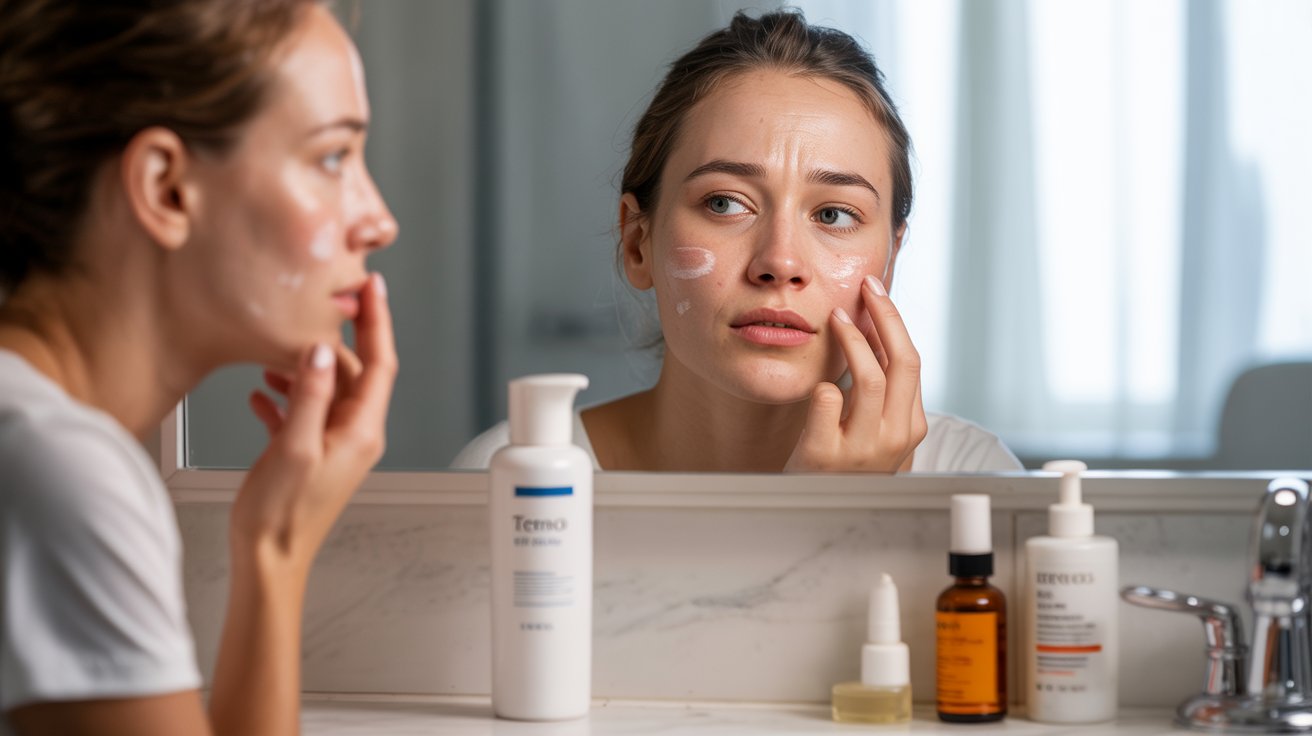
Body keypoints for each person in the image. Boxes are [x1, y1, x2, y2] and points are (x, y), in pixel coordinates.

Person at [0, 0, 398, 733]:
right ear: (166, 188)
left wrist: (274, 544)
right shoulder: (56, 468)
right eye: (334, 157)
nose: (379, 219)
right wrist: (276, 551)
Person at [456, 9, 1018, 474]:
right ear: (637, 242)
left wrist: (849, 514)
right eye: (724, 203)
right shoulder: (514, 475)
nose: (780, 262)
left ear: (890, 260)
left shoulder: (971, 476)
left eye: (834, 214)